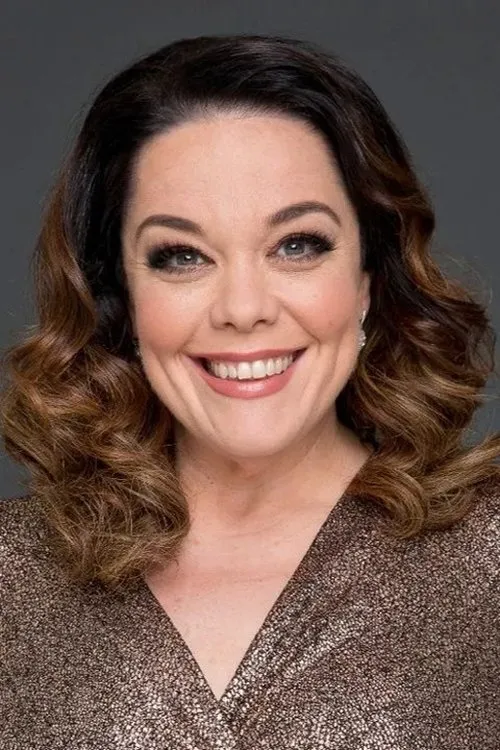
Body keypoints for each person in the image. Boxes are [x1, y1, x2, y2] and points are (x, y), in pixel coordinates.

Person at [0, 32, 498, 749]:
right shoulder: (13, 578)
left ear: (367, 278)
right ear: (122, 299)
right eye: (182, 256)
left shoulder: (489, 560)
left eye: (297, 245)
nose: (243, 308)